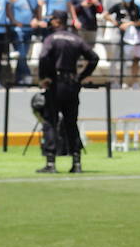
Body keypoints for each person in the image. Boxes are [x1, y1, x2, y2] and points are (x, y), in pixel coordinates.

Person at [35, 13, 99, 174]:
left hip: (56, 84)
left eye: (51, 19)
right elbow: (93, 58)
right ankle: (76, 162)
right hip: (72, 84)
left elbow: (43, 57)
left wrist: (45, 77)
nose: (50, 22)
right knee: (71, 123)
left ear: (57, 21)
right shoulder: (76, 39)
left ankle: (51, 162)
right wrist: (80, 77)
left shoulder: (51, 38)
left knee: (50, 121)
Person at [8, 0, 42, 86]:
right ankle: (27, 74)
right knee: (21, 53)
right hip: (17, 29)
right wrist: (13, 20)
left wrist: (36, 19)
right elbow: (8, 7)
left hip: (28, 29)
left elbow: (37, 9)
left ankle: (19, 79)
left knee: (23, 54)